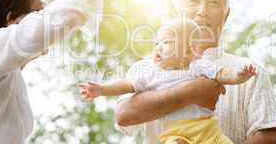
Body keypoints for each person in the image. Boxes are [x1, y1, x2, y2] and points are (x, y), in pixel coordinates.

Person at [115, 0, 276, 144]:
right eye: (193, 1)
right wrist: (190, 93)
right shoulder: (147, 67)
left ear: (226, 14)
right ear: (177, 11)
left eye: (213, 2)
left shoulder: (250, 72)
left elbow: (268, 136)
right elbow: (124, 115)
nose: (202, 11)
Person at [0, 0, 133, 143]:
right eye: (37, 13)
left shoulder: (10, 76)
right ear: (11, 20)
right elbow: (49, 24)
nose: (43, 18)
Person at [77, 18, 257, 144]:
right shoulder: (151, 73)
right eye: (157, 43)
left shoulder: (197, 67)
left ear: (188, 51)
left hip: (211, 133)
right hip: (177, 133)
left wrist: (240, 75)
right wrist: (101, 89)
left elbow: (223, 74)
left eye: (166, 42)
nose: (158, 47)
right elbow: (126, 85)